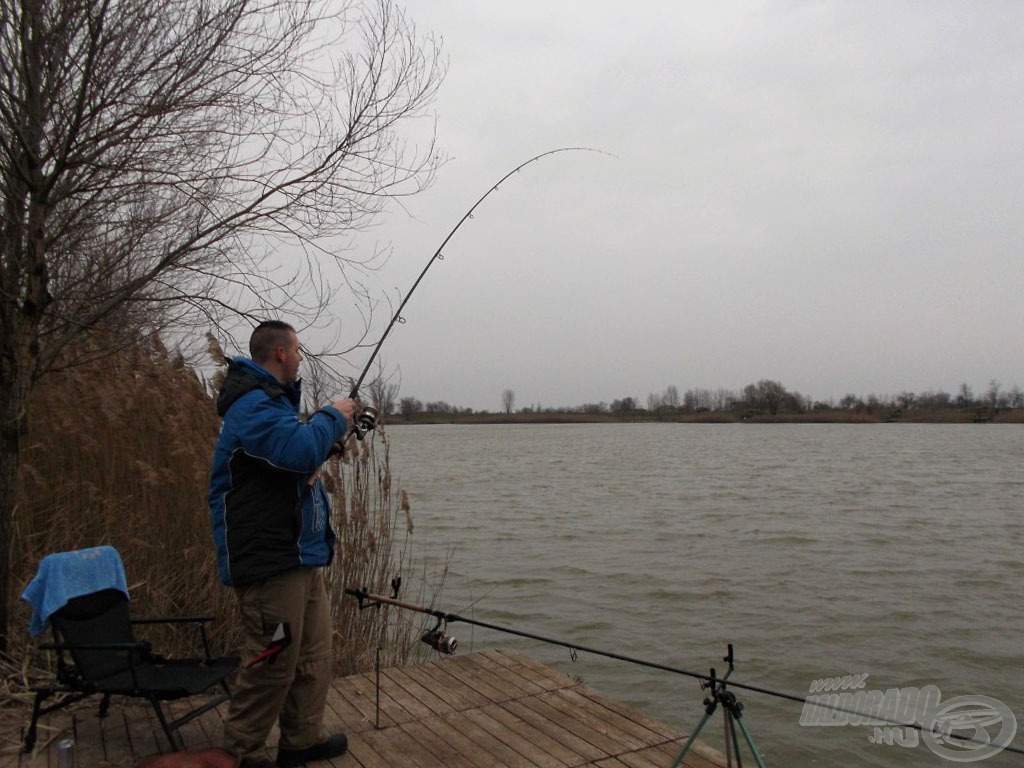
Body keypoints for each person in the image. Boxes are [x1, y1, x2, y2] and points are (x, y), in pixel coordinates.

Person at [208, 321, 357, 768]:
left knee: (314, 654)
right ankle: (240, 751)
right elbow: (295, 452)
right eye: (296, 350)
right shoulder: (252, 406)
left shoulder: (272, 407)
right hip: (269, 562)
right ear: (279, 353)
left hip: (298, 555)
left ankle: (301, 739)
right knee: (272, 656)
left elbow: (289, 457)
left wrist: (323, 440)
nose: (299, 357)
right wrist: (332, 418)